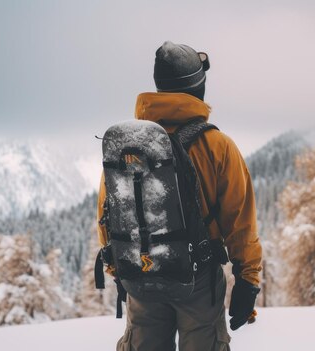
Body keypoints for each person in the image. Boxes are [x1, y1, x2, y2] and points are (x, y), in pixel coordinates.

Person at [96, 41, 262, 351]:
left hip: (143, 276)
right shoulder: (217, 145)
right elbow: (240, 222)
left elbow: (107, 211)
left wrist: (121, 269)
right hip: (198, 284)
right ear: (197, 88)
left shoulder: (131, 146)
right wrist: (247, 280)